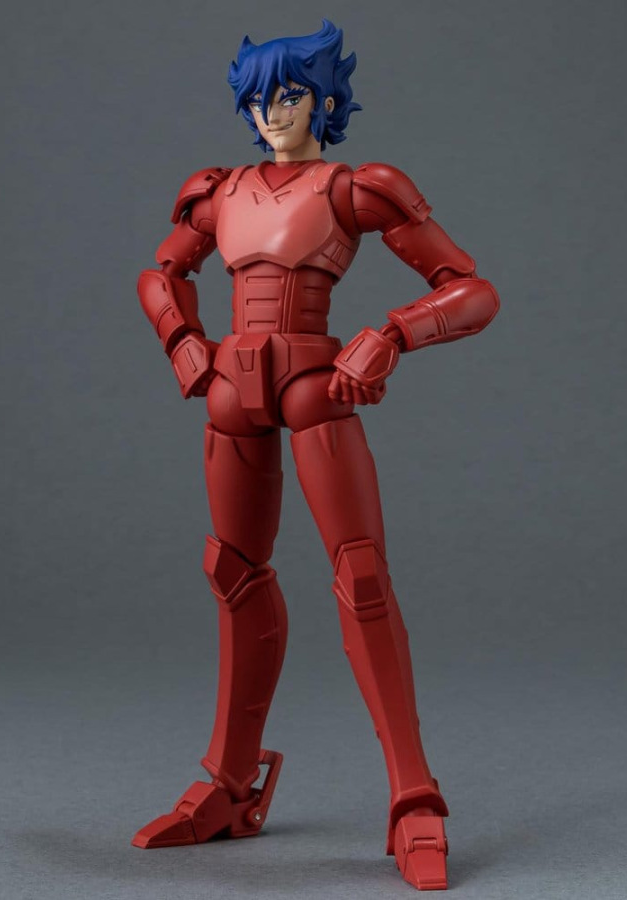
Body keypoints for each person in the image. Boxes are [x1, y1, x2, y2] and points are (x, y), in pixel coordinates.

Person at [132, 20, 499, 891]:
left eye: (290, 95)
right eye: (259, 99)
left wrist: (393, 336)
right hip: (230, 392)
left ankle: (413, 799)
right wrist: (182, 339)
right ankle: (230, 784)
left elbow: (471, 289)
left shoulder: (356, 189)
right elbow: (161, 273)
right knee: (233, 575)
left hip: (313, 387)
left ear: (325, 100)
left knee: (361, 578)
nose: (273, 113)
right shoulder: (218, 191)